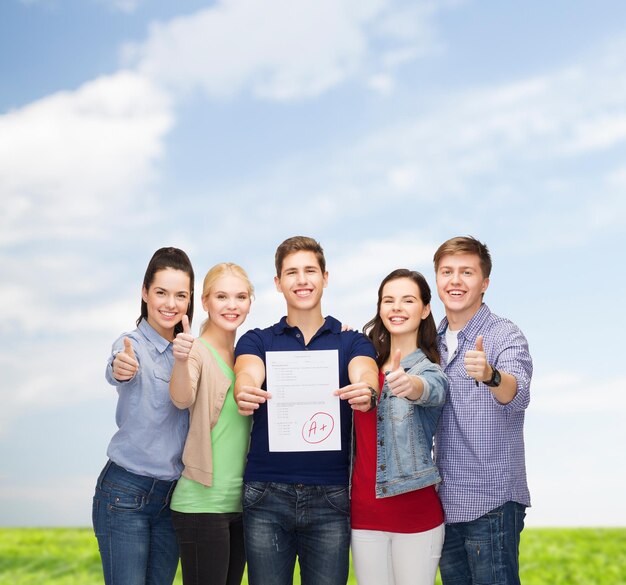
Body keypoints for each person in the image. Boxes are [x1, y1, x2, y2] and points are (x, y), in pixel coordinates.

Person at [233, 236, 379, 585]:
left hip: (330, 497)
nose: (302, 280)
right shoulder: (257, 339)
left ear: (325, 278)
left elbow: (365, 370)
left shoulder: (351, 341)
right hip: (266, 493)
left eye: (310, 271)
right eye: (292, 272)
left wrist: (367, 389)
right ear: (278, 283)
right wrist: (245, 388)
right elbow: (248, 371)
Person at [432, 236, 533, 585]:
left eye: (467, 272)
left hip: (491, 502)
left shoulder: (504, 334)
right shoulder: (431, 342)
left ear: (484, 282)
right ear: (437, 279)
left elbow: (517, 392)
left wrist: (491, 375)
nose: (455, 281)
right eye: (447, 271)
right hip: (444, 502)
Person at [92, 246, 195, 585]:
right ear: (145, 292)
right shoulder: (130, 345)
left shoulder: (190, 351)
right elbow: (118, 369)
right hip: (124, 493)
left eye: (180, 295)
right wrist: (120, 368)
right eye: (161, 292)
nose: (171, 303)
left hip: (171, 499)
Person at [351, 269, 449, 585]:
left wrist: (410, 384)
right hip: (364, 516)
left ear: (424, 309)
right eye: (389, 300)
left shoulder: (428, 370)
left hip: (416, 516)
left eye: (408, 300)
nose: (397, 308)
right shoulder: (360, 366)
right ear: (379, 308)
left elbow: (432, 389)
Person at [168, 263, 254, 585]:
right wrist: (180, 359)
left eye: (240, 296)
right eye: (222, 296)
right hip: (201, 504)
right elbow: (181, 396)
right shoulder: (196, 351)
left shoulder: (245, 356)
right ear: (204, 302)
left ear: (249, 302)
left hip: (240, 504)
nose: (232, 305)